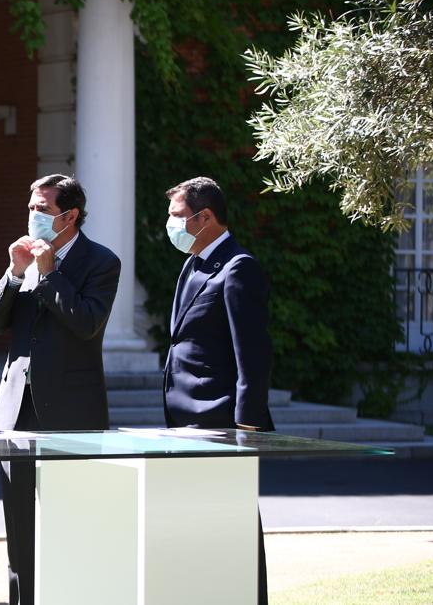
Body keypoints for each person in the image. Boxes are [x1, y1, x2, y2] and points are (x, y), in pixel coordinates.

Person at [0, 174, 121, 605]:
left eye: (42, 209)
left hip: (72, 413)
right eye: (31, 208)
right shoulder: (24, 255)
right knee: (19, 528)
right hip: (16, 411)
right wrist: (14, 272)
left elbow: (87, 323)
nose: (33, 216)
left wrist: (49, 275)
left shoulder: (101, 262)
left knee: (73, 525)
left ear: (69, 216)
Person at [163, 176, 273, 604]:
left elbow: (253, 355)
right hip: (184, 420)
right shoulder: (193, 263)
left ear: (205, 217)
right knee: (196, 528)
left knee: (233, 528)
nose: (171, 225)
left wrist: (246, 426)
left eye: (177, 216)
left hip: (220, 420)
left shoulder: (237, 267)